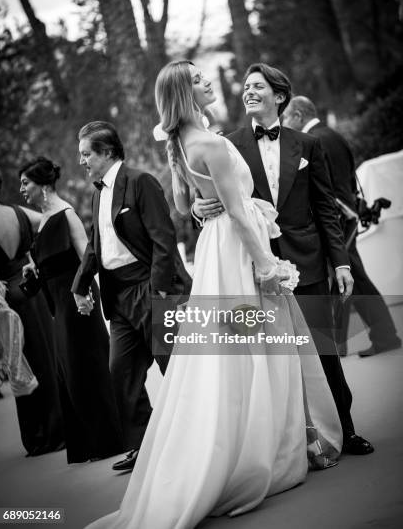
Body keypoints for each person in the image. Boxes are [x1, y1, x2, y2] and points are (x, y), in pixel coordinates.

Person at [85, 60, 342, 529]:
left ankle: (240, 439)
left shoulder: (183, 144)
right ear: (186, 92)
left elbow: (186, 205)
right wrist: (266, 266)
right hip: (239, 253)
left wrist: (209, 207)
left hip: (214, 252)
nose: (209, 82)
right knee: (259, 347)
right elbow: (241, 218)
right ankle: (263, 450)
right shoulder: (212, 144)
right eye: (200, 79)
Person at [194, 63, 373, 456]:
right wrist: (197, 207)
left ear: (279, 96)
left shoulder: (307, 145)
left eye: (258, 86)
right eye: (245, 86)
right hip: (253, 266)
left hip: (305, 263)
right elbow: (206, 193)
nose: (249, 91)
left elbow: (325, 207)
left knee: (323, 351)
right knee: (272, 358)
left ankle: (345, 429)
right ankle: (290, 444)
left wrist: (341, 263)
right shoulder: (227, 144)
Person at [72, 121, 191, 472]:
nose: (82, 161)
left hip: (148, 288)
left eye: (86, 154)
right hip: (118, 296)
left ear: (107, 152)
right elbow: (96, 246)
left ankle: (195, 439)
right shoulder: (98, 192)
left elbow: (163, 239)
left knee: (176, 367)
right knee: (120, 372)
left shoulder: (140, 182)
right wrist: (79, 286)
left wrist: (158, 293)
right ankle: (145, 446)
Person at [19, 157, 123, 463]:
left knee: (85, 368)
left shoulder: (66, 215)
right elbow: (52, 263)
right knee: (68, 372)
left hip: (78, 301)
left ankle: (108, 441)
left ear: (44, 185)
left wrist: (83, 295)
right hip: (58, 303)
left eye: (26, 183)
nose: (22, 189)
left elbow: (86, 257)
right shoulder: (44, 219)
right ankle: (86, 444)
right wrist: (33, 272)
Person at [282, 95, 401, 357]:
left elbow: (326, 189)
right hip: (345, 218)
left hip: (338, 221)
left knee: (353, 279)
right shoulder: (331, 135)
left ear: (299, 116)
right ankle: (360, 340)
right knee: (350, 280)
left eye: (287, 117)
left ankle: (379, 337)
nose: (285, 123)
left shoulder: (316, 140)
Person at [0, 167, 65, 456]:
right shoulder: (19, 213)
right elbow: (54, 217)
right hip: (31, 290)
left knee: (19, 363)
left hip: (5, 300)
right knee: (45, 358)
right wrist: (37, 256)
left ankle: (38, 436)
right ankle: (58, 429)